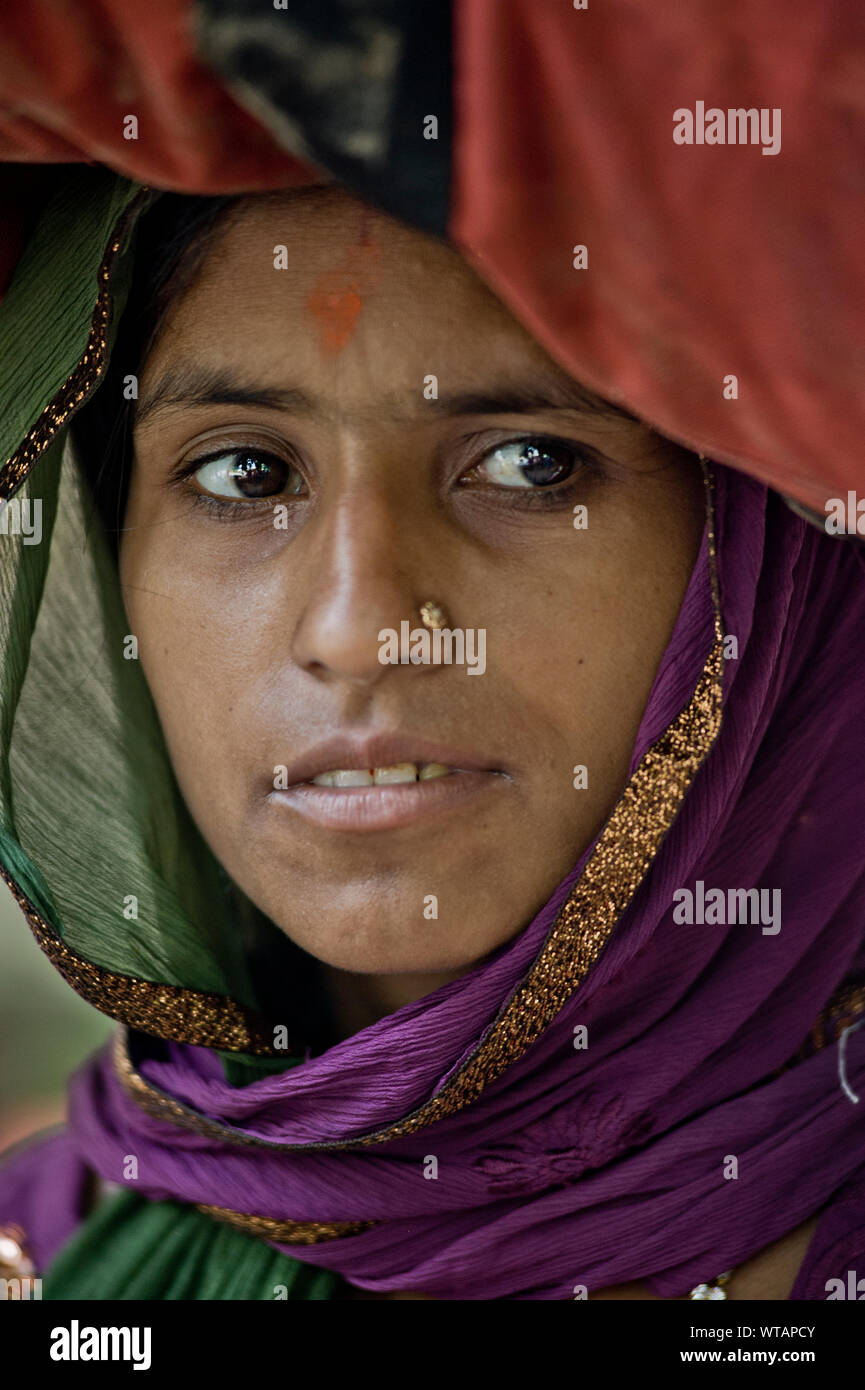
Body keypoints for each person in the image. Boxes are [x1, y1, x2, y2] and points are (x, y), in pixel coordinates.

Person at [0, 172, 863, 1301]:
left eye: (529, 463)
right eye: (244, 472)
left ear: (762, 567)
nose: (361, 630)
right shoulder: (50, 1251)